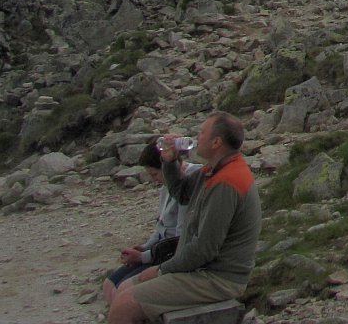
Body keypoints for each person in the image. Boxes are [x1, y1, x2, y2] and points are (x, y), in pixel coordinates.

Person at [108, 112, 261, 324]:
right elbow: (181, 192)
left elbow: (204, 249)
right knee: (124, 288)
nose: (197, 136)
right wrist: (169, 161)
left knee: (124, 305)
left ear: (216, 142)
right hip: (203, 271)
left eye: (202, 132)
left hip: (218, 278)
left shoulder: (226, 182)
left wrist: (161, 269)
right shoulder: (214, 170)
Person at [101, 138, 198, 304]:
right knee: (109, 285)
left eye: (155, 174)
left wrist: (143, 257)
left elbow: (180, 237)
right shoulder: (167, 186)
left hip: (170, 255)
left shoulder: (190, 182)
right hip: (158, 249)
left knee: (122, 291)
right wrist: (145, 247)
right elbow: (162, 225)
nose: (154, 179)